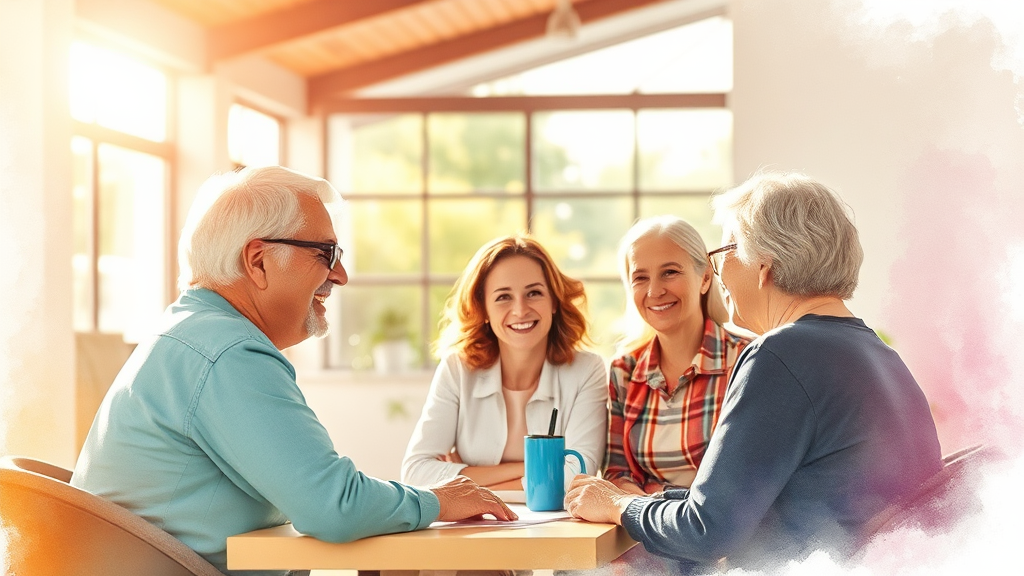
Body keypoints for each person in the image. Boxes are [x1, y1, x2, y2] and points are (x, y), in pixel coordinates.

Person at [72, 166, 515, 576]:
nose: (340, 275)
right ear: (258, 261)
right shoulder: (228, 352)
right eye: (326, 252)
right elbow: (335, 507)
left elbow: (324, 497)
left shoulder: (192, 332)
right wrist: (437, 501)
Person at [565, 172, 942, 571]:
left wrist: (618, 504)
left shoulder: (780, 354)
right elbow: (729, 507)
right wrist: (636, 502)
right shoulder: (880, 355)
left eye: (724, 250)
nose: (719, 272)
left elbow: (706, 530)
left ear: (763, 263)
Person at [401, 234, 607, 490]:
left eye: (534, 293)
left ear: (554, 301)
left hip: (558, 527)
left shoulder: (587, 371)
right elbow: (416, 472)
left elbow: (578, 477)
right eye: (503, 297)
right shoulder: (457, 370)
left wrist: (467, 479)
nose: (520, 310)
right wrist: (546, 466)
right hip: (472, 527)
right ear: (483, 308)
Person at [604, 216, 751, 496]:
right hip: (645, 534)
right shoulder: (624, 371)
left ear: (705, 277)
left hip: (727, 536)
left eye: (670, 272)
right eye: (640, 277)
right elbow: (616, 474)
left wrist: (655, 499)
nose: (654, 291)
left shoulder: (746, 360)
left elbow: (748, 482)